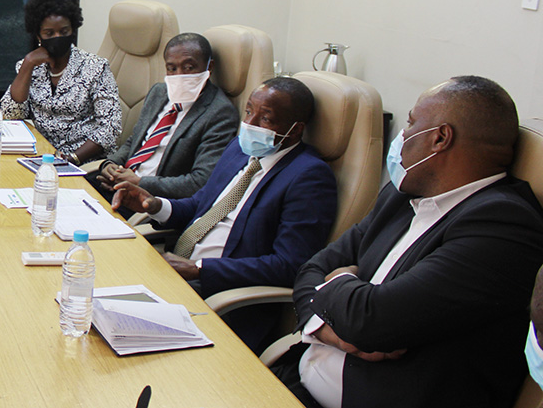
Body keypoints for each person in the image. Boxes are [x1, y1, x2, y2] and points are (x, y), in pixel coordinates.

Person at [269, 76, 543, 408]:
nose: (402, 136)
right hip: (298, 379)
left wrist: (338, 280)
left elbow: (370, 321)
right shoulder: (404, 194)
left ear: (440, 138)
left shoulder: (503, 227)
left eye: (411, 124)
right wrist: (326, 330)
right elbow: (312, 267)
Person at [111, 77, 337, 350]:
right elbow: (200, 205)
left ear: (295, 129)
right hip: (178, 275)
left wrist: (200, 270)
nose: (250, 125)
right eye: (249, 111)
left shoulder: (309, 176)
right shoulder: (239, 149)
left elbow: (289, 265)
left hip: (222, 298)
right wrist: (156, 205)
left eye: (265, 119)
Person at [89, 33, 238, 205]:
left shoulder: (219, 113)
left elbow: (200, 181)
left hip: (148, 200)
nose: (179, 75)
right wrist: (111, 165)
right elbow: (134, 141)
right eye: (172, 69)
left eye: (189, 68)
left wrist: (139, 182)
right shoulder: (159, 92)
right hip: (118, 184)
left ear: (209, 67)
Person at [0, 0, 121, 163]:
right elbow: (11, 114)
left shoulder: (95, 67)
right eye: (49, 33)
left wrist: (72, 158)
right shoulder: (30, 67)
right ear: (38, 36)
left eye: (64, 31)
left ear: (73, 30)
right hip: (40, 156)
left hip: (85, 161)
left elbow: (111, 127)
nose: (57, 37)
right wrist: (28, 64)